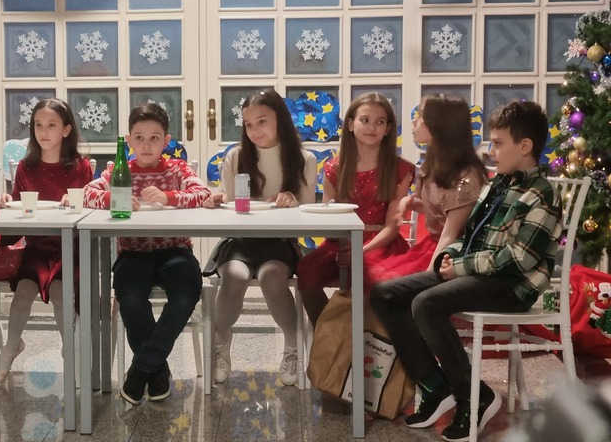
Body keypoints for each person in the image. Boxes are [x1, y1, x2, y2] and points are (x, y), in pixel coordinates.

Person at [370, 100, 562, 442]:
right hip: (476, 273)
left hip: (512, 286)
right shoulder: (498, 185)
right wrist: (451, 256)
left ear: (525, 146)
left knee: (426, 303)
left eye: (498, 143)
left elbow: (520, 258)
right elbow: (468, 233)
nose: (490, 151)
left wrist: (460, 266)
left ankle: (473, 397)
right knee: (385, 294)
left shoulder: (540, 194)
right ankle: (435, 386)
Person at [84, 103, 212, 404]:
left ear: (165, 141)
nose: (146, 145)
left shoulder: (177, 169)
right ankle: (157, 372)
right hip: (133, 252)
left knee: (186, 294)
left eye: (154, 138)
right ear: (129, 140)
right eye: (139, 138)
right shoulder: (120, 170)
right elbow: (89, 192)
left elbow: (203, 193)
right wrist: (114, 198)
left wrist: (169, 197)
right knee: (129, 298)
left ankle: (140, 370)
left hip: (175, 250)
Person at [201, 89, 317, 387]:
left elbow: (307, 215)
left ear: (281, 120)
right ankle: (221, 341)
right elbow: (228, 205)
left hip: (280, 242)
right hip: (240, 240)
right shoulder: (236, 156)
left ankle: (292, 345)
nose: (254, 131)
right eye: (248, 124)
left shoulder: (304, 159)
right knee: (235, 275)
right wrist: (216, 200)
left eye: (262, 121)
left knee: (272, 275)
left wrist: (293, 201)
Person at [0, 99, 93, 383]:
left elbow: (92, 203)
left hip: (70, 249)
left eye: (51, 125)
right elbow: (19, 205)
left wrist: (76, 201)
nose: (44, 131)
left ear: (66, 130)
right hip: (37, 249)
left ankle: (69, 352)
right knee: (23, 292)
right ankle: (10, 349)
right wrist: (7, 200)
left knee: (61, 292)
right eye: (38, 125)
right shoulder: (27, 167)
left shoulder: (81, 167)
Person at [297, 92, 415, 324]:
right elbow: (329, 218)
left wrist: (361, 251)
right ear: (350, 124)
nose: (372, 127)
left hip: (381, 242)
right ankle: (329, 332)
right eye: (365, 120)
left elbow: (392, 226)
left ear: (388, 129)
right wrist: (343, 244)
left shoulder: (400, 169)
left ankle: (371, 336)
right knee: (306, 270)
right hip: (341, 241)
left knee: (370, 273)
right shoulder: (333, 168)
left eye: (380, 122)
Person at [366, 95, 487, 284]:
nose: (414, 121)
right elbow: (438, 208)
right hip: (429, 246)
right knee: (370, 273)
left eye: (421, 116)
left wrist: (427, 278)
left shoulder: (466, 176)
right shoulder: (431, 166)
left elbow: (450, 233)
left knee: (385, 280)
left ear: (440, 123)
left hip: (451, 253)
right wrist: (408, 202)